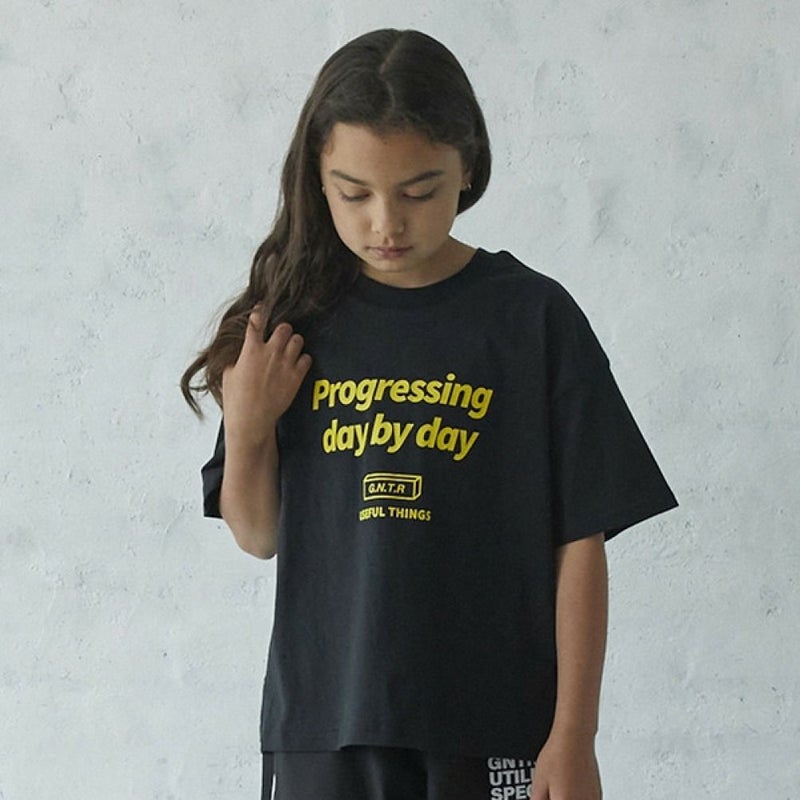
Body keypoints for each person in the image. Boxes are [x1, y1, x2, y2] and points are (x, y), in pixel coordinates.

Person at [181, 28, 677, 800]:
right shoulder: (292, 325)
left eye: (418, 192)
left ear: (467, 167)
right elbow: (260, 535)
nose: (386, 223)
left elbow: (580, 544)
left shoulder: (531, 319)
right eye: (354, 194)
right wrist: (247, 427)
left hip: (493, 725)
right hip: (324, 726)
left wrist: (573, 736)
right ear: (317, 177)